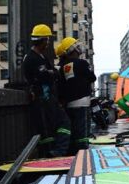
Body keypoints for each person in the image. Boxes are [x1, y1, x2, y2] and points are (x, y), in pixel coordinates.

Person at [22, 24, 71, 156]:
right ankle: (56, 152)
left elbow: (53, 73)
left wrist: (50, 72)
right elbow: (45, 75)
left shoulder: (41, 58)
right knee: (60, 124)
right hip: (41, 100)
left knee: (52, 128)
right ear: (41, 40)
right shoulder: (32, 58)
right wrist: (50, 73)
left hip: (48, 99)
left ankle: (53, 152)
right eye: (47, 40)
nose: (48, 43)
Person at [57, 37, 97, 152]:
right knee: (83, 130)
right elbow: (92, 78)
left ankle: (73, 151)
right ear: (73, 50)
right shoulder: (82, 63)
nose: (79, 49)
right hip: (83, 101)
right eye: (76, 47)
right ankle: (83, 151)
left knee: (74, 129)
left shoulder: (63, 67)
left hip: (69, 103)